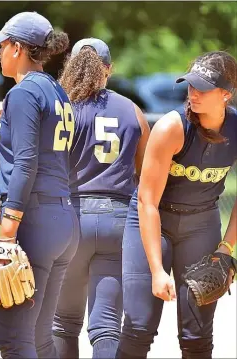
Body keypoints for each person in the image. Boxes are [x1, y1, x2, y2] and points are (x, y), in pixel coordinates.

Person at [116, 50, 237, 359]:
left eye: (204, 87)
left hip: (202, 226)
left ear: (226, 94)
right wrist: (157, 270)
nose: (193, 93)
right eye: (190, 85)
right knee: (139, 327)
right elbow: (146, 201)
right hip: (154, 222)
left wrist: (226, 247)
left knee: (196, 334)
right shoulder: (172, 127)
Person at [0, 11, 80, 358]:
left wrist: (8, 231)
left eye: (3, 45)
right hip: (62, 218)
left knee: (13, 339)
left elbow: (27, 161)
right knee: (39, 339)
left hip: (35, 222)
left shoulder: (24, 93)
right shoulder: (57, 90)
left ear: (19, 48)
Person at [51, 38, 151, 359]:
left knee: (64, 322)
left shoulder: (61, 108)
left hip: (72, 218)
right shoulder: (133, 111)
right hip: (117, 220)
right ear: (107, 70)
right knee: (106, 324)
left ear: (72, 67)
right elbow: (146, 175)